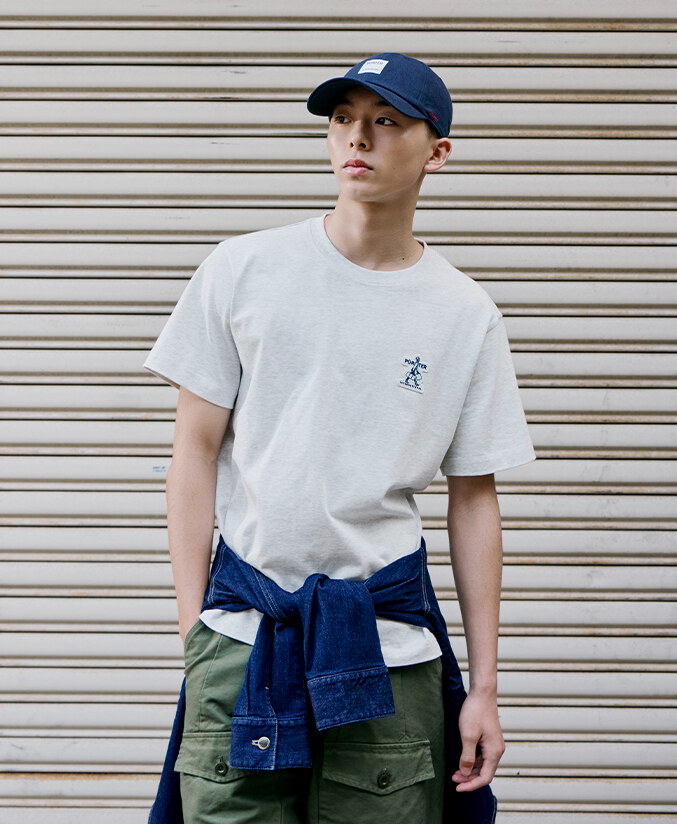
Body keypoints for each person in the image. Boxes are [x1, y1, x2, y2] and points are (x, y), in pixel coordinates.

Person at [144, 52, 535, 824]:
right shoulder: (243, 269)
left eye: (386, 121)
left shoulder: (463, 313)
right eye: (342, 119)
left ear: (437, 152)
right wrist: (196, 632)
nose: (357, 137)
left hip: (389, 650)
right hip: (244, 639)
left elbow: (473, 498)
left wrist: (484, 689)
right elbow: (192, 453)